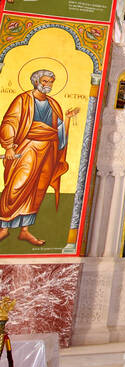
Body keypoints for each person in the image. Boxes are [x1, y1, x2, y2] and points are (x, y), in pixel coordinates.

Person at [0, 68, 79, 246]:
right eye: (45, 81)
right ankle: (4, 227)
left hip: (48, 150)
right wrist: (9, 146)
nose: (48, 85)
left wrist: (66, 119)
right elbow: (10, 122)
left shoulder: (53, 104)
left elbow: (59, 130)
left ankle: (25, 230)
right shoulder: (23, 100)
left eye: (51, 82)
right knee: (17, 185)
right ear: (36, 82)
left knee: (38, 188)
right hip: (28, 147)